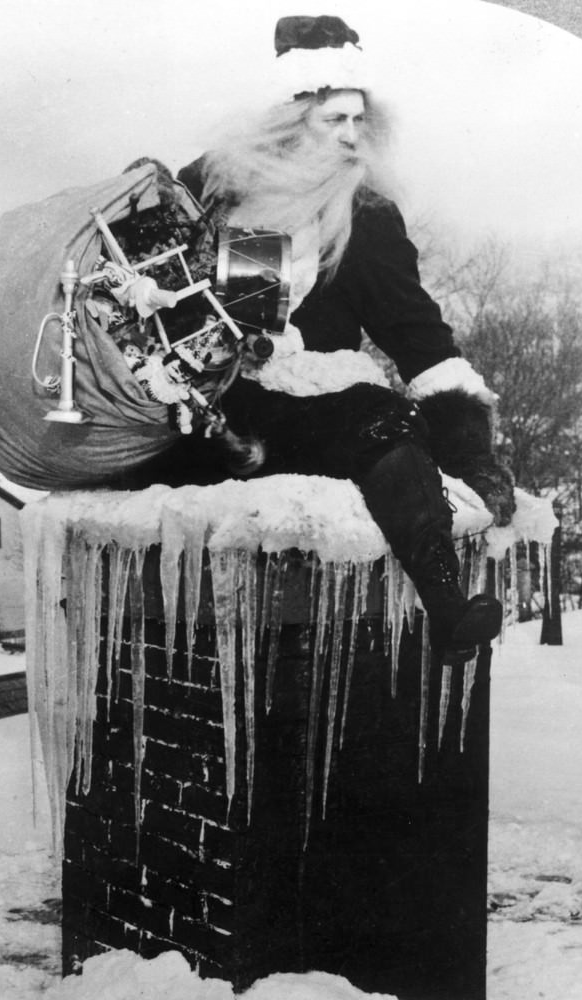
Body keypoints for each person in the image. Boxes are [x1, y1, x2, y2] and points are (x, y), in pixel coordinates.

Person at [121, 14, 516, 665]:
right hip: (217, 409)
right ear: (294, 114)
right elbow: (138, 269)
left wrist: (472, 451)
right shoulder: (215, 187)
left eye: (360, 120)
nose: (352, 136)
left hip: (321, 414)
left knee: (386, 420)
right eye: (336, 120)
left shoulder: (369, 217)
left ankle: (447, 605)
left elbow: (422, 343)